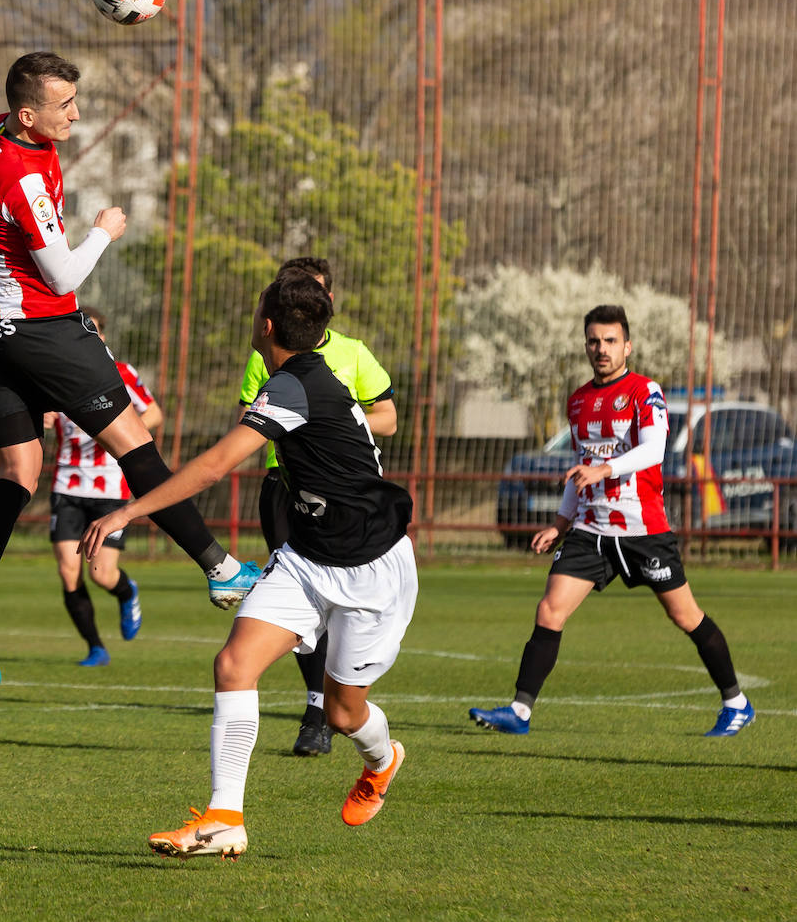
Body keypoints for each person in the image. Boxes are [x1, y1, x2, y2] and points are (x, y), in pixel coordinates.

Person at [0, 50, 259, 687]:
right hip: (40, 327)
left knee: (18, 473)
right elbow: (61, 273)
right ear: (28, 114)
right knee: (134, 445)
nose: (77, 114)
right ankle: (220, 568)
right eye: (64, 106)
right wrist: (103, 232)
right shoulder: (25, 177)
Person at [82, 275, 417, 859]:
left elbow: (214, 466)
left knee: (342, 711)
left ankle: (383, 760)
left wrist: (129, 511)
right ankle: (224, 819)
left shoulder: (298, 386)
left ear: (266, 326)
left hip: (371, 567)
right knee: (235, 663)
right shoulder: (299, 379)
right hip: (309, 557)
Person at [470, 304, 755, 737]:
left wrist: (604, 470)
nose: (600, 349)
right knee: (550, 610)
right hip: (591, 531)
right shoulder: (579, 400)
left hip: (644, 530)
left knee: (686, 616)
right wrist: (560, 523)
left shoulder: (645, 391)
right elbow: (579, 468)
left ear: (627, 345)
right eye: (593, 341)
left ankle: (736, 703)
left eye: (609, 341)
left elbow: (653, 450)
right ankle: (520, 711)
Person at [238, 256, 397, 757]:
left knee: (335, 623)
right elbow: (249, 413)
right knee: (251, 645)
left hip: (346, 504)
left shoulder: (351, 353)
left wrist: (334, 424)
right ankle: (314, 710)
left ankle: (335, 713)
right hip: (283, 487)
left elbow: (387, 417)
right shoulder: (268, 357)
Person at [46, 307, 160, 666]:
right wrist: (42, 416)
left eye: (93, 332)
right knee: (68, 570)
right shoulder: (52, 375)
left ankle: (127, 592)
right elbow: (41, 417)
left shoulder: (121, 373)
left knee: (102, 574)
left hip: (109, 487)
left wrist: (121, 432)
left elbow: (154, 414)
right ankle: (95, 646)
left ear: (103, 337)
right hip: (67, 482)